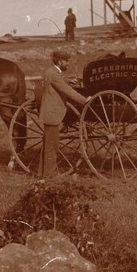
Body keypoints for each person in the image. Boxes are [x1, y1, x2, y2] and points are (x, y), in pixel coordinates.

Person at [39, 49, 88, 179]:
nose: (68, 64)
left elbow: (60, 82)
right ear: (60, 61)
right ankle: (48, 176)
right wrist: (85, 100)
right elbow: (67, 91)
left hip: (52, 113)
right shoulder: (53, 74)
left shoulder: (53, 72)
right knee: (52, 147)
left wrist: (67, 80)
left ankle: (44, 174)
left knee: (50, 145)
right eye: (66, 61)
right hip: (52, 114)